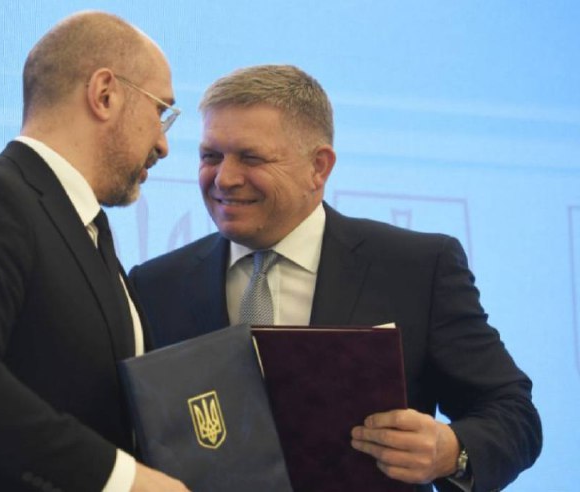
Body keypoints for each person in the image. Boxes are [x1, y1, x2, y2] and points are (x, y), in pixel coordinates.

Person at [129, 65, 541, 492]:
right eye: (210, 156)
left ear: (319, 167)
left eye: (250, 158)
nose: (224, 178)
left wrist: (450, 450)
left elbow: (512, 415)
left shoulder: (416, 268)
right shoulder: (156, 285)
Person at [0, 11, 189, 492]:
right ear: (104, 94)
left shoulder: (85, 228)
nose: (163, 143)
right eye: (160, 111)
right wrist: (121, 479)